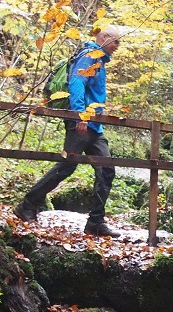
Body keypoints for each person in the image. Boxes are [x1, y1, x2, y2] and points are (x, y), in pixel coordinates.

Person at [14, 26, 123, 238]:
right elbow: (77, 83)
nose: (118, 46)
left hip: (94, 126)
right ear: (104, 38)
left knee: (106, 169)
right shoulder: (89, 56)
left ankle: (96, 222)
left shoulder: (98, 59)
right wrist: (79, 114)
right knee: (66, 166)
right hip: (81, 123)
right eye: (116, 42)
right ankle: (27, 205)